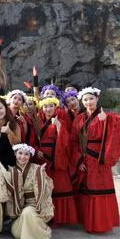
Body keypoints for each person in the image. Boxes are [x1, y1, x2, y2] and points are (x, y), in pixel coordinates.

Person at [71, 87, 120, 234]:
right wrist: (78, 160)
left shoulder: (106, 116)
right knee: (86, 190)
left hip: (100, 159)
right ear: (82, 102)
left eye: (91, 98)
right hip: (85, 159)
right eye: (85, 99)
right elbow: (74, 141)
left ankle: (100, 224)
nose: (88, 102)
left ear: (97, 99)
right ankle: (87, 221)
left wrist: (107, 120)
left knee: (99, 189)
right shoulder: (79, 118)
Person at [37, 96, 78, 226]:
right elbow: (34, 139)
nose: (48, 109)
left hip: (56, 158)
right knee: (45, 187)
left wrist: (59, 127)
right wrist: (37, 150)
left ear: (56, 108)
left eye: (51, 106)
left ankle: (60, 218)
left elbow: (67, 141)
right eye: (45, 106)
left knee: (60, 186)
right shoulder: (39, 122)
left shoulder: (61, 121)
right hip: (42, 158)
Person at [7, 144, 54, 239]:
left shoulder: (38, 169)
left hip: (34, 206)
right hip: (19, 209)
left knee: (27, 212)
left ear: (30, 156)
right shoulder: (11, 171)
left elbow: (46, 191)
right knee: (17, 231)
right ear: (15, 154)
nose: (23, 157)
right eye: (20, 153)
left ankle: (31, 238)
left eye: (26, 154)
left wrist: (43, 209)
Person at [0, 99, 21, 168]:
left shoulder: (14, 124)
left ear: (6, 109)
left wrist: (9, 132)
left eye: (0, 108)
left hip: (10, 164)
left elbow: (18, 145)